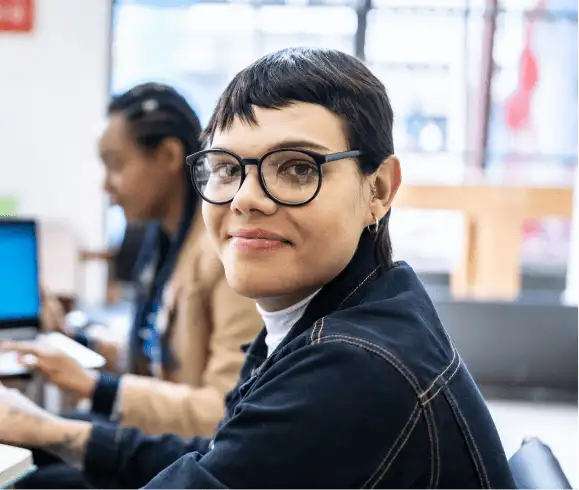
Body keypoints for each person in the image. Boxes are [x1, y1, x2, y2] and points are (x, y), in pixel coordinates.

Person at [0, 48, 517, 489]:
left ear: (378, 189)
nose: (246, 198)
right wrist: (50, 430)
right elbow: (220, 457)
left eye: (297, 168)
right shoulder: (327, 317)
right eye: (226, 168)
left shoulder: (351, 367)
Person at [0, 83, 260, 489]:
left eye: (115, 164)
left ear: (169, 156)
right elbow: (160, 354)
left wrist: (97, 386)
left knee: (31, 477)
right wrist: (77, 340)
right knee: (23, 448)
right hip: (159, 439)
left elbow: (221, 411)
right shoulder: (162, 244)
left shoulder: (225, 259)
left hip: (185, 456)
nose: (106, 185)